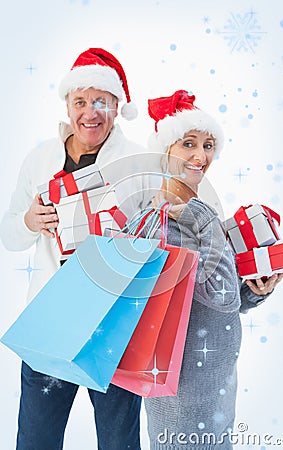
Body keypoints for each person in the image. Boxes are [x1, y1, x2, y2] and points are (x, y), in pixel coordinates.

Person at [0, 48, 157, 450]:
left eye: (101, 101)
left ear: (118, 106)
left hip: (115, 327)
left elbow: (162, 241)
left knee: (119, 442)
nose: (90, 113)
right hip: (50, 321)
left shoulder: (139, 162)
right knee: (36, 439)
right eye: (81, 102)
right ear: (68, 105)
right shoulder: (40, 160)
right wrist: (29, 221)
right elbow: (10, 236)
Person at [144, 90, 283, 449]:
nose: (200, 156)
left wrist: (255, 290)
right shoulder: (162, 223)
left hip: (216, 386)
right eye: (188, 143)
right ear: (164, 152)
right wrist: (207, 221)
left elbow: (225, 299)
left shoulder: (198, 213)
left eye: (208, 145)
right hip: (183, 396)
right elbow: (219, 296)